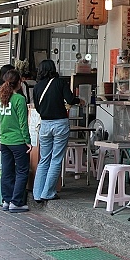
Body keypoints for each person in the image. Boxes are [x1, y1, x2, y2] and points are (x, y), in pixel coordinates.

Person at [32, 59, 83, 203]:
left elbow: (37, 107)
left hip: (45, 125)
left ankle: (37, 193)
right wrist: (80, 101)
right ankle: (48, 193)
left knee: (44, 160)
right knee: (56, 159)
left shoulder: (37, 87)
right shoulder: (60, 83)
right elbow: (70, 99)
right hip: (60, 124)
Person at [0, 70, 31, 213]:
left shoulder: (2, 98)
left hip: (5, 140)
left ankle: (6, 200)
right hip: (18, 141)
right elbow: (23, 122)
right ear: (19, 83)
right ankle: (17, 202)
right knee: (22, 171)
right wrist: (27, 140)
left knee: (6, 171)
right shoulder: (19, 99)